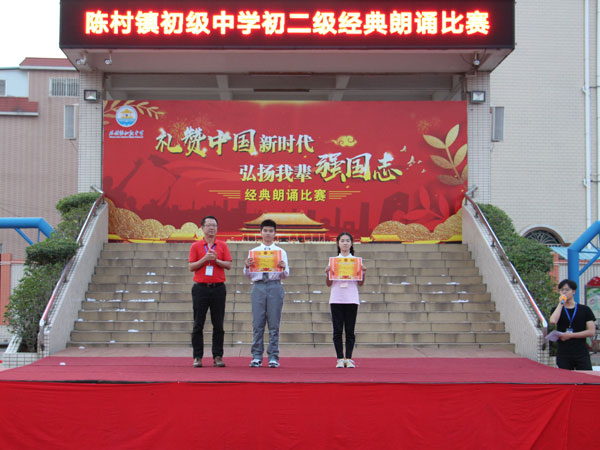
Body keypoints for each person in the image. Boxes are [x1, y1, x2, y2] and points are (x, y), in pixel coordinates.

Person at [244, 219, 289, 368]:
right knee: (258, 323)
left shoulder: (281, 252)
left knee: (274, 324)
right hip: (258, 286)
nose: (268, 233)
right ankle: (256, 356)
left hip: (274, 285)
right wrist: (247, 266)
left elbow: (285, 275)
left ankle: (273, 357)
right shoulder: (254, 252)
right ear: (261, 232)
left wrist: (283, 267)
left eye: (271, 231)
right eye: (265, 231)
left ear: (275, 233)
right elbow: (248, 275)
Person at [188, 216, 232, 368]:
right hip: (200, 289)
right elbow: (191, 266)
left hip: (218, 288)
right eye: (209, 225)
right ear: (202, 228)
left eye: (214, 225)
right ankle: (197, 357)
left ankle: (218, 356)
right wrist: (204, 259)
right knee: (198, 324)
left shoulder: (223, 245)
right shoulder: (196, 246)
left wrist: (216, 260)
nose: (212, 228)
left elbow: (228, 265)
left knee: (218, 324)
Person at [325, 232, 366, 368]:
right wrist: (327, 273)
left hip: (351, 298)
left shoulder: (356, 261)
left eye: (347, 240)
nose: (345, 243)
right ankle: (339, 359)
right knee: (337, 330)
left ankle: (348, 358)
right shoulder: (333, 261)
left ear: (351, 243)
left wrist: (363, 273)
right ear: (338, 243)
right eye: (342, 240)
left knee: (350, 330)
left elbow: (360, 283)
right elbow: (329, 284)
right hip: (336, 298)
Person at [549, 279, 596, 370]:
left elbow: (591, 331)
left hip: (581, 352)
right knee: (565, 377)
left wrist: (570, 335)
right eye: (561, 290)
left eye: (567, 290)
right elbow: (553, 321)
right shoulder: (557, 309)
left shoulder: (585, 309)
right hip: (563, 352)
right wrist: (561, 303)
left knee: (585, 375)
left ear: (573, 291)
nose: (564, 292)